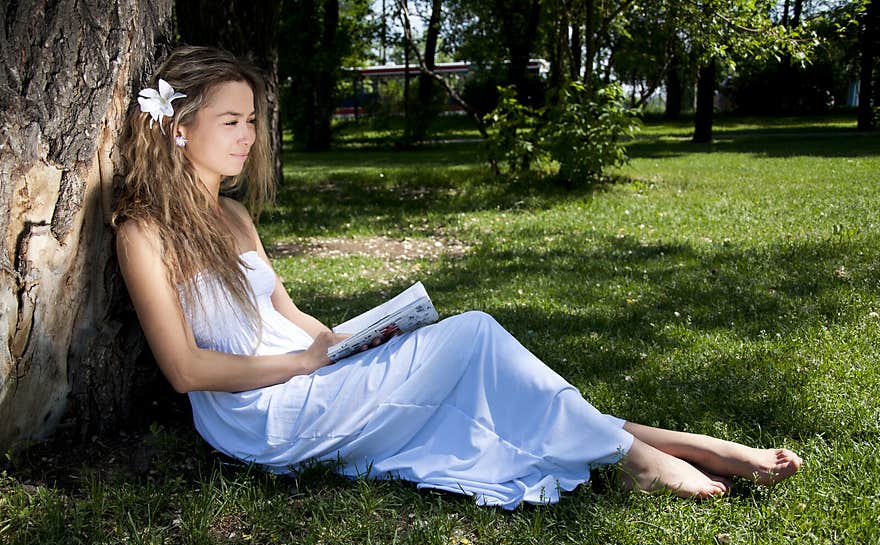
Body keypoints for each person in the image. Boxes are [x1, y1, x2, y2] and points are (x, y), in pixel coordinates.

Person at [112, 45, 802, 510]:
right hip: (259, 418)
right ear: (177, 128)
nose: (249, 136)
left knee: (478, 371)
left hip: (308, 376)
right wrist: (308, 359)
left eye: (253, 121)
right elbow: (186, 369)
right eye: (232, 121)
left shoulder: (233, 216)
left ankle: (661, 445)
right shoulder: (142, 231)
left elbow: (293, 315)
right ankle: (645, 457)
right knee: (473, 338)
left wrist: (354, 340)